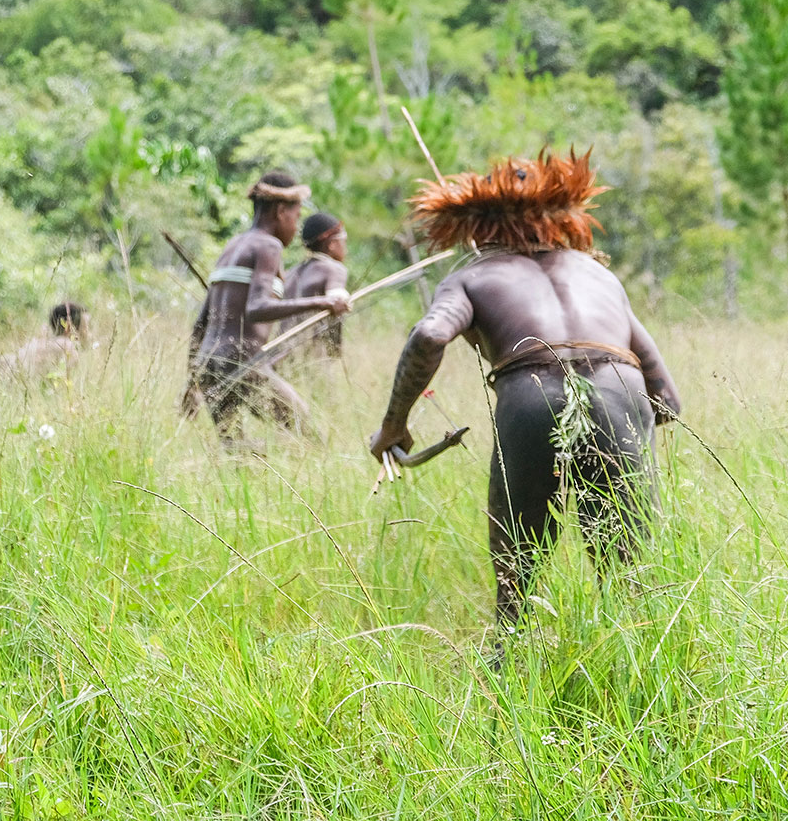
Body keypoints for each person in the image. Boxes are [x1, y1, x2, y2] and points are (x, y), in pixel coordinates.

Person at [366, 150, 680, 633]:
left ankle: (509, 670)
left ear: (475, 228)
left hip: (532, 397)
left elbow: (430, 335)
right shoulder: (598, 274)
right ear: (563, 221)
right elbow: (668, 401)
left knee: (517, 589)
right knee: (629, 579)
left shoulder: (471, 275)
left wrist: (394, 424)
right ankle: (640, 682)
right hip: (622, 387)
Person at [181, 172, 350, 439]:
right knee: (312, 440)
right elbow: (256, 308)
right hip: (241, 361)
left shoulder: (233, 245)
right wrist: (323, 302)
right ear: (281, 211)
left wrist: (191, 382)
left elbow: (201, 323)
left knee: (236, 453)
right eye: (295, 218)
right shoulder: (268, 246)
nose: (295, 229)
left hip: (208, 362)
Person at [278, 212, 349, 357]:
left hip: (280, 355)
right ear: (332, 244)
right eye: (343, 241)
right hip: (310, 357)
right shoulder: (334, 269)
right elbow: (337, 304)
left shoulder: (291, 272)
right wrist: (334, 355)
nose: (346, 248)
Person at [14, 301, 88, 373]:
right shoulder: (68, 347)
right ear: (68, 327)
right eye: (87, 327)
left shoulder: (33, 344)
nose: (90, 333)